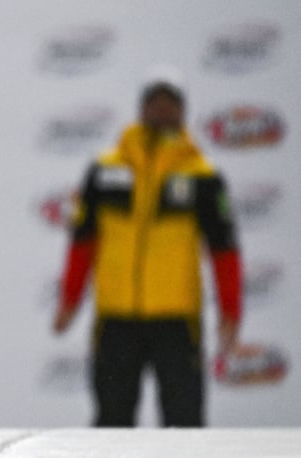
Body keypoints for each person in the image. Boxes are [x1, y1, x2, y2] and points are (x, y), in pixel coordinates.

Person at [52, 66, 242, 428]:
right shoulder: (106, 169)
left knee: (185, 423)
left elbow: (224, 250)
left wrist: (230, 311)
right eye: (155, 102)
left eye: (170, 103)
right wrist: (69, 300)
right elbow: (83, 241)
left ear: (183, 111)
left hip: (176, 318)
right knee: (111, 422)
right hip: (116, 318)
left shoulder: (202, 175)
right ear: (142, 108)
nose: (162, 110)